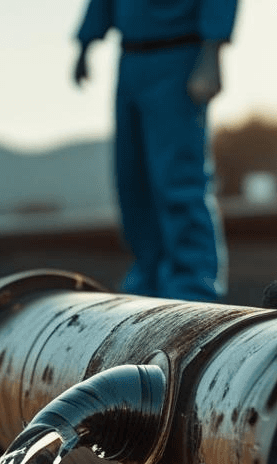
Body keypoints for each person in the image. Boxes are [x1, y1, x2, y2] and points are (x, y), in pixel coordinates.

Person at [74, 0, 236, 302]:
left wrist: (213, 52)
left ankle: (194, 286)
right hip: (131, 58)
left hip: (179, 54)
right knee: (133, 179)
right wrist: (85, 43)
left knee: (178, 177)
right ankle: (147, 281)